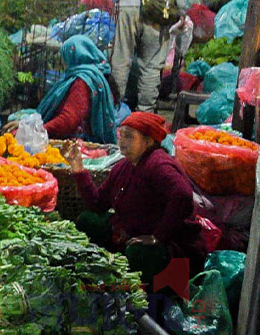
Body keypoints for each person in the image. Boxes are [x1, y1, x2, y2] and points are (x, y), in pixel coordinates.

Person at [74, 112, 216, 297]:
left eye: (129, 136)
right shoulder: (123, 167)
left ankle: (150, 291)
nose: (122, 141)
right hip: (133, 235)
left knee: (139, 254)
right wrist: (78, 169)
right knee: (88, 220)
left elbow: (182, 195)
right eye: (121, 135)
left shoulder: (158, 164)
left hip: (175, 250)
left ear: (148, 142)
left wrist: (158, 237)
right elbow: (97, 204)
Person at [38, 35, 119, 142]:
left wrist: (39, 131)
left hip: (80, 143)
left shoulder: (83, 81)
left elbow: (69, 120)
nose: (64, 64)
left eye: (65, 58)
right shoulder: (98, 76)